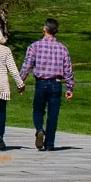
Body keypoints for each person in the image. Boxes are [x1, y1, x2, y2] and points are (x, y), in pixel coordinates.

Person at [20, 17, 75, 151]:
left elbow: (27, 65)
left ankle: (39, 129)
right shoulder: (63, 48)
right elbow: (68, 69)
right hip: (56, 84)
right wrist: (69, 87)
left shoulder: (35, 46)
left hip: (41, 83)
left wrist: (20, 81)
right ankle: (50, 144)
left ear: (44, 29)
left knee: (38, 110)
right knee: (53, 115)